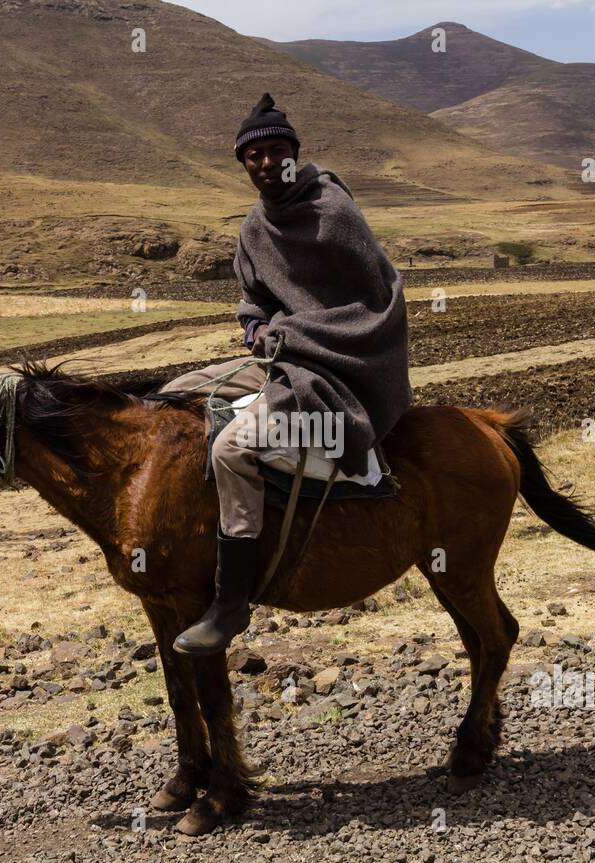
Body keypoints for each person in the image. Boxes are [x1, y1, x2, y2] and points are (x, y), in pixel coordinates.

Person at [164, 93, 411, 656]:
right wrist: (256, 329)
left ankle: (231, 603)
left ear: (295, 154)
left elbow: (374, 300)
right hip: (284, 356)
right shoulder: (254, 228)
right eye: (255, 156)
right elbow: (253, 299)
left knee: (231, 448)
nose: (268, 163)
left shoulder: (332, 210)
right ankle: (201, 545)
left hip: (343, 365)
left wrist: (294, 335)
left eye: (278, 151)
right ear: (244, 165)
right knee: (173, 399)